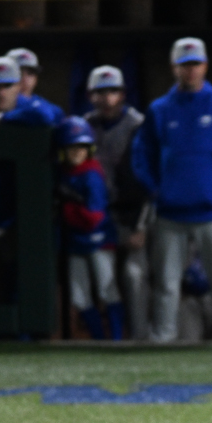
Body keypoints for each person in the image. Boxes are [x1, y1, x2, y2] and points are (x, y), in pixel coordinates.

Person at [131, 37, 212, 341]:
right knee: (167, 282)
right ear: (174, 68)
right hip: (171, 212)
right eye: (184, 65)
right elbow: (141, 155)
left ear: (205, 66)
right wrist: (156, 190)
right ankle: (163, 341)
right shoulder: (160, 109)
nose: (190, 70)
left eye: (195, 64)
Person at [0, 57, 58, 306]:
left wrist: (4, 120)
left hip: (17, 213)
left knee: (20, 280)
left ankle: (24, 340)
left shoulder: (31, 106)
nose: (2, 92)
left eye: (8, 85)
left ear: (18, 86)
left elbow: (46, 116)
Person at [85, 66, 150, 340]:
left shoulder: (139, 125)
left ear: (123, 94)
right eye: (100, 92)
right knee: (98, 280)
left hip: (132, 216)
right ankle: (106, 342)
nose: (106, 99)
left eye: (112, 91)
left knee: (135, 276)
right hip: (98, 216)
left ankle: (138, 339)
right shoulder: (84, 126)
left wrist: (142, 227)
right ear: (90, 96)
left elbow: (150, 182)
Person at [56, 116, 124, 340]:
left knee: (107, 290)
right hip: (77, 243)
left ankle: (115, 341)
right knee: (79, 296)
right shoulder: (64, 174)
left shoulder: (92, 174)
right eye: (71, 148)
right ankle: (98, 340)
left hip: (99, 241)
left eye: (81, 148)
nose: (76, 153)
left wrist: (68, 209)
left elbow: (93, 217)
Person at [6, 48, 65, 123]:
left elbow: (46, 115)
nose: (24, 79)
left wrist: (2, 116)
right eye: (18, 73)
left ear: (36, 79)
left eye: (30, 73)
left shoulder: (47, 106)